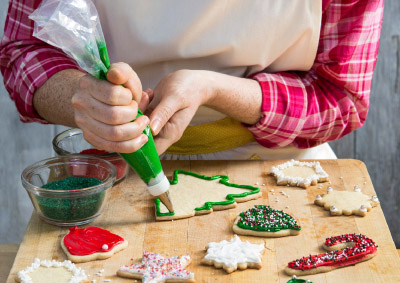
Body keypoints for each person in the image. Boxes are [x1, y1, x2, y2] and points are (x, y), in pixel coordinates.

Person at [0, 0, 384, 161]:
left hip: (279, 164)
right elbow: (22, 48)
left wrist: (215, 89)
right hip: (112, 168)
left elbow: (342, 96)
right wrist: (83, 98)